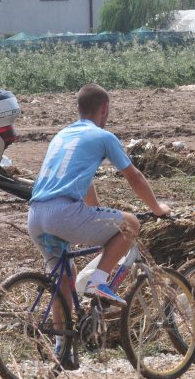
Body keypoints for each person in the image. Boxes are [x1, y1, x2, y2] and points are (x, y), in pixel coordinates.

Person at [27, 83, 170, 310]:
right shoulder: (103, 136)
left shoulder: (61, 135)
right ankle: (98, 281)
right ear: (105, 108)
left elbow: (84, 183)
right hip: (63, 213)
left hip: (35, 216)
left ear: (79, 108)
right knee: (131, 223)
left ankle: (61, 343)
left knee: (64, 279)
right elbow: (135, 177)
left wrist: (98, 216)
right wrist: (157, 209)